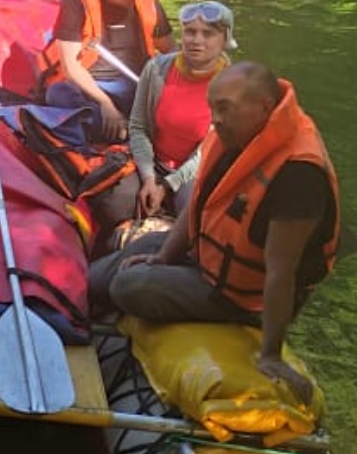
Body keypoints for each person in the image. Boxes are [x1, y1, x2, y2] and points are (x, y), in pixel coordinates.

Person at [88, 63, 340, 403]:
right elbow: (200, 208)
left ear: (263, 107)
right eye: (213, 108)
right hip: (210, 257)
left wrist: (270, 355)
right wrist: (164, 258)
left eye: (225, 109)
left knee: (129, 285)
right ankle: (76, 300)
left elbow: (282, 274)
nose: (216, 119)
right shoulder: (237, 134)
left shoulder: (299, 175)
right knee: (133, 254)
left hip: (243, 297)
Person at [39, 0, 174, 142]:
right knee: (58, 94)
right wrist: (106, 104)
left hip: (136, 87)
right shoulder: (78, 1)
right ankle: (122, 128)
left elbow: (171, 51)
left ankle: (120, 128)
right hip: (92, 88)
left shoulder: (146, 1)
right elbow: (70, 66)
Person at [128, 1, 236, 217]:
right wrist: (149, 177)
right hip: (153, 163)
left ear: (225, 40)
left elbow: (208, 151)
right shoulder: (156, 69)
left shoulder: (232, 86)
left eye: (208, 34)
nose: (196, 40)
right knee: (116, 205)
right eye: (190, 32)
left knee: (192, 212)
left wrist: (167, 186)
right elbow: (138, 126)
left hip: (195, 171)